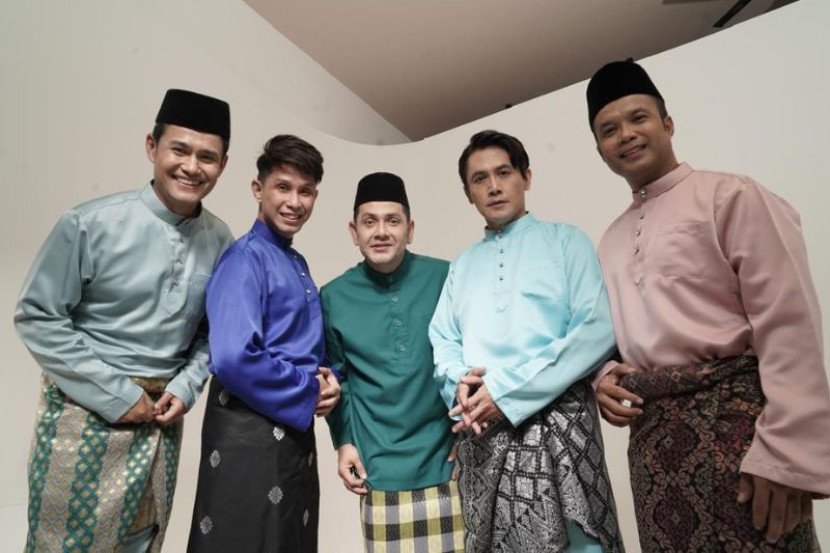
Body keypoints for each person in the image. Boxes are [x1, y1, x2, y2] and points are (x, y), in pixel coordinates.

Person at [587, 59, 830, 552]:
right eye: (609, 129)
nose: (626, 134)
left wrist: (786, 453)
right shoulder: (608, 241)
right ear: (600, 150)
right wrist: (604, 374)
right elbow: (610, 334)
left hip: (743, 432)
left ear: (668, 123)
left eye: (638, 117)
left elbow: (789, 325)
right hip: (655, 452)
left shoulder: (731, 196)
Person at [15, 89, 233, 553]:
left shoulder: (220, 240)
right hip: (80, 418)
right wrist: (118, 394)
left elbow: (215, 334)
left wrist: (186, 386)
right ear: (152, 147)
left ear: (223, 165)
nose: (191, 167)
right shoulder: (89, 223)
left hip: (159, 424)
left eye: (207, 157)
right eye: (179, 150)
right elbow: (37, 316)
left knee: (142, 541)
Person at [429, 130, 624, 553]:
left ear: (526, 177)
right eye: (480, 179)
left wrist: (505, 391)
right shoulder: (462, 266)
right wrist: (461, 383)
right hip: (485, 430)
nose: (494, 186)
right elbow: (443, 339)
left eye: (504, 173)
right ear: (468, 193)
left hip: (562, 425)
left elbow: (595, 328)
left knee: (581, 544)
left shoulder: (566, 241)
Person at [187, 134, 340, 553]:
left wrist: (329, 381)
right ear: (258, 189)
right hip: (248, 439)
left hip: (291, 438)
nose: (295, 202)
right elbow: (233, 358)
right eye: (283, 187)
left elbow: (302, 345)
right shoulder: (245, 258)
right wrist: (309, 390)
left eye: (305, 191)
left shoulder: (295, 261)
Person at [321, 172, 464, 553]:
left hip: (449, 464)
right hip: (378, 467)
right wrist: (344, 441)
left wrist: (469, 428)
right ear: (353, 232)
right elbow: (338, 378)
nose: (381, 232)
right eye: (369, 221)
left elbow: (472, 356)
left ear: (410, 229)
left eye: (392, 220)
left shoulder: (446, 277)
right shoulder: (333, 296)